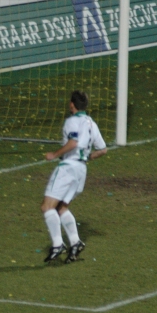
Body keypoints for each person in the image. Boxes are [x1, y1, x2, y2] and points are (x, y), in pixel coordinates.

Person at [41, 91, 107, 264]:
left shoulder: (71, 121)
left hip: (68, 168)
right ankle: (76, 243)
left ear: (72, 105)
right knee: (61, 207)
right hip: (81, 171)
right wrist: (86, 157)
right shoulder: (92, 123)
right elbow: (103, 149)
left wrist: (54, 155)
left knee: (47, 207)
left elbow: (73, 142)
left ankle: (57, 244)